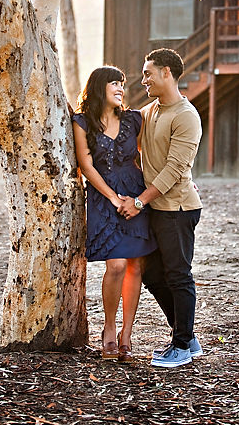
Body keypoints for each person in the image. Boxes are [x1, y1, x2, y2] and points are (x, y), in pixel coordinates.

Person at [118, 48, 203, 368]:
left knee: (178, 274)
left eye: (148, 73)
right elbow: (124, 134)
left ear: (167, 72)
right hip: (157, 206)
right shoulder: (150, 111)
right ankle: (187, 336)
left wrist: (139, 202)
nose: (144, 79)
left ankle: (182, 345)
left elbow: (174, 170)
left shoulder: (186, 115)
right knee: (153, 273)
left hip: (178, 208)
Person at [72, 66, 157, 363]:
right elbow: (86, 164)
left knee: (135, 265)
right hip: (104, 197)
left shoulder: (134, 119)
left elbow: (152, 152)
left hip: (135, 196)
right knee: (117, 265)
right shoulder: (82, 122)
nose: (121, 88)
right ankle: (109, 328)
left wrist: (140, 198)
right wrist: (112, 198)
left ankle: (126, 336)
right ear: (99, 87)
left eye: (122, 84)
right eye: (114, 84)